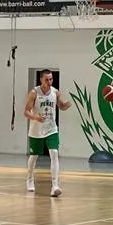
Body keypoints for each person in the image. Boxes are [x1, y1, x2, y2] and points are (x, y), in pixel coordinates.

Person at [24, 69, 71, 197]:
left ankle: (55, 186)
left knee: (54, 154)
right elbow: (26, 112)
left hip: (51, 129)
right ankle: (29, 179)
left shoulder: (55, 92)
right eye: (47, 79)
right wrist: (35, 117)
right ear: (41, 79)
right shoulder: (34, 93)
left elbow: (60, 106)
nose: (49, 82)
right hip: (36, 129)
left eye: (51, 79)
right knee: (34, 156)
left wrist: (65, 105)